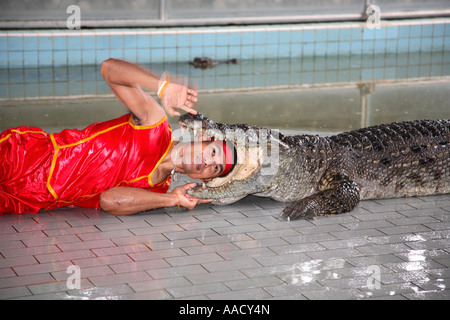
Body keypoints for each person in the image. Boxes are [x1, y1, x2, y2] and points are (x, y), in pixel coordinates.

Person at [0, 58, 235, 216]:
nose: (207, 162)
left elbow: (109, 201)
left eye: (214, 168)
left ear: (202, 178)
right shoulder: (154, 123)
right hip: (23, 157)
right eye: (213, 152)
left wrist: (172, 200)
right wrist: (161, 86)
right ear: (202, 137)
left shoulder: (156, 191)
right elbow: (109, 68)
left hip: (29, 201)